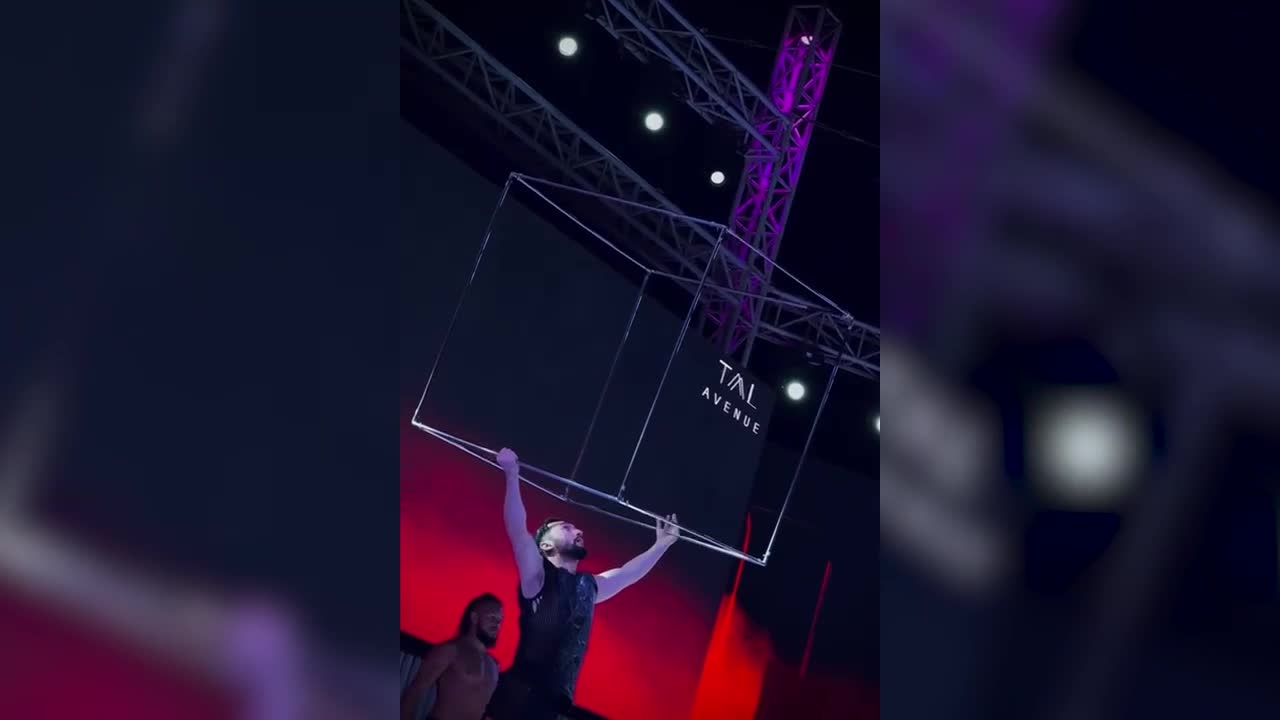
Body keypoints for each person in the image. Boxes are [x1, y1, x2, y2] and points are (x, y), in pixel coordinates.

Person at [488, 447, 679, 720]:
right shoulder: (537, 579)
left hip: (552, 708)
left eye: (575, 528)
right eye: (566, 528)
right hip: (519, 700)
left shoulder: (589, 587)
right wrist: (511, 473)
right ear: (545, 546)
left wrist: (662, 546)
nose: (578, 531)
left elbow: (627, 574)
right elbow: (518, 531)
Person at [401, 593, 504, 720]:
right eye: (492, 617)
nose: (497, 624)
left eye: (500, 620)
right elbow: (414, 692)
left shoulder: (493, 665)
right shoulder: (450, 650)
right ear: (474, 617)